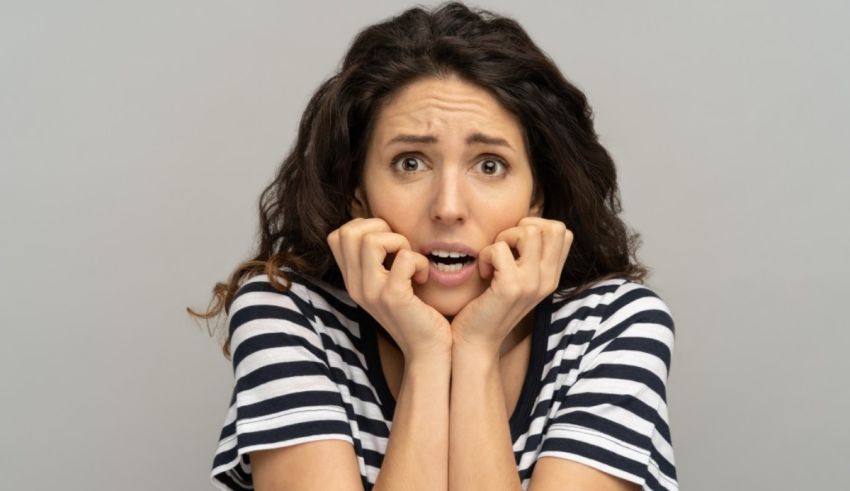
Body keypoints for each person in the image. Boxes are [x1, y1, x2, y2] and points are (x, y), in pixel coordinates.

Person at [190, 2, 677, 490]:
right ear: (357, 193)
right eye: (409, 163)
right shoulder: (287, 313)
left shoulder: (613, 326)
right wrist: (426, 355)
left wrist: (476, 350)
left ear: (537, 198)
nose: (448, 207)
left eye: (489, 165)